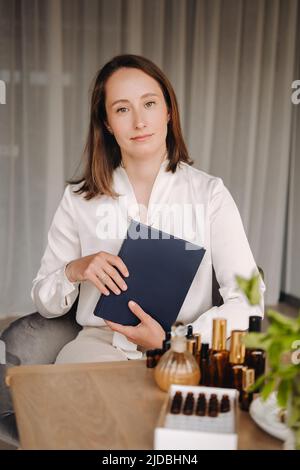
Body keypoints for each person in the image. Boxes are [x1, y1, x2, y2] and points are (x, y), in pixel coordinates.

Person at [31, 54, 265, 364]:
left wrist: (177, 340)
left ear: (168, 111)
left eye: (150, 104)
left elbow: (249, 301)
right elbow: (46, 303)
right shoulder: (78, 199)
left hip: (184, 347)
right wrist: (75, 269)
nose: (139, 121)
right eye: (123, 109)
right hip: (100, 346)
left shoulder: (210, 194)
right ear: (107, 123)